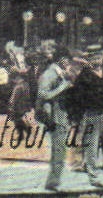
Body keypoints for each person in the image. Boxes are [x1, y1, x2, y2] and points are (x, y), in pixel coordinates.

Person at [69, 48, 103, 188]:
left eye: (98, 57)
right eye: (93, 58)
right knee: (91, 147)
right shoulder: (84, 77)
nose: (97, 61)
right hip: (91, 115)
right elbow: (76, 98)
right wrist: (77, 117)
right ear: (88, 60)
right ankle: (93, 178)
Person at [35, 47, 77, 191]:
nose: (69, 62)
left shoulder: (60, 73)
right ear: (61, 59)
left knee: (60, 150)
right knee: (58, 150)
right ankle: (53, 182)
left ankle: (54, 181)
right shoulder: (49, 74)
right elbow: (43, 94)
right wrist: (64, 86)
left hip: (61, 115)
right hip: (53, 116)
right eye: (67, 59)